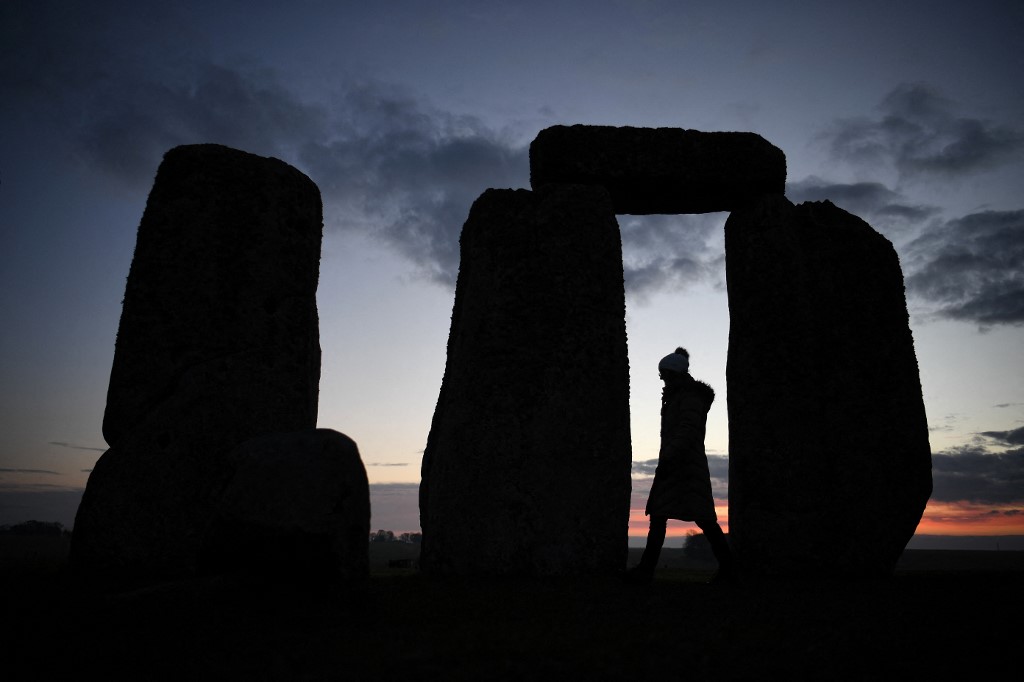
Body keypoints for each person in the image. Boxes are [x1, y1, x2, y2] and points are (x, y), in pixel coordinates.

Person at [625, 347, 736, 585]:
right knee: (660, 515)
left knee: (702, 518)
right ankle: (646, 569)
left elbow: (688, 429)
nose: (662, 379)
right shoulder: (679, 395)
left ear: (675, 373)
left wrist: (669, 455)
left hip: (685, 466)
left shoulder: (689, 397)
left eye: (664, 374)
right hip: (677, 464)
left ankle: (728, 569)